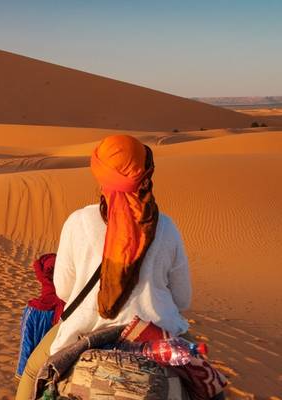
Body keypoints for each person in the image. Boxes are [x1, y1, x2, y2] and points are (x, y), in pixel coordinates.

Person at [15, 134, 192, 400]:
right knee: (207, 383)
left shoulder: (78, 222)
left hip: (85, 329)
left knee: (32, 371)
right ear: (146, 173)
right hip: (156, 331)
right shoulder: (167, 227)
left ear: (100, 174)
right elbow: (182, 298)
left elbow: (63, 290)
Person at [15, 253, 64, 380]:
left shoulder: (33, 310)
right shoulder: (67, 308)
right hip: (57, 374)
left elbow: (26, 347)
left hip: (34, 375)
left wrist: (21, 376)